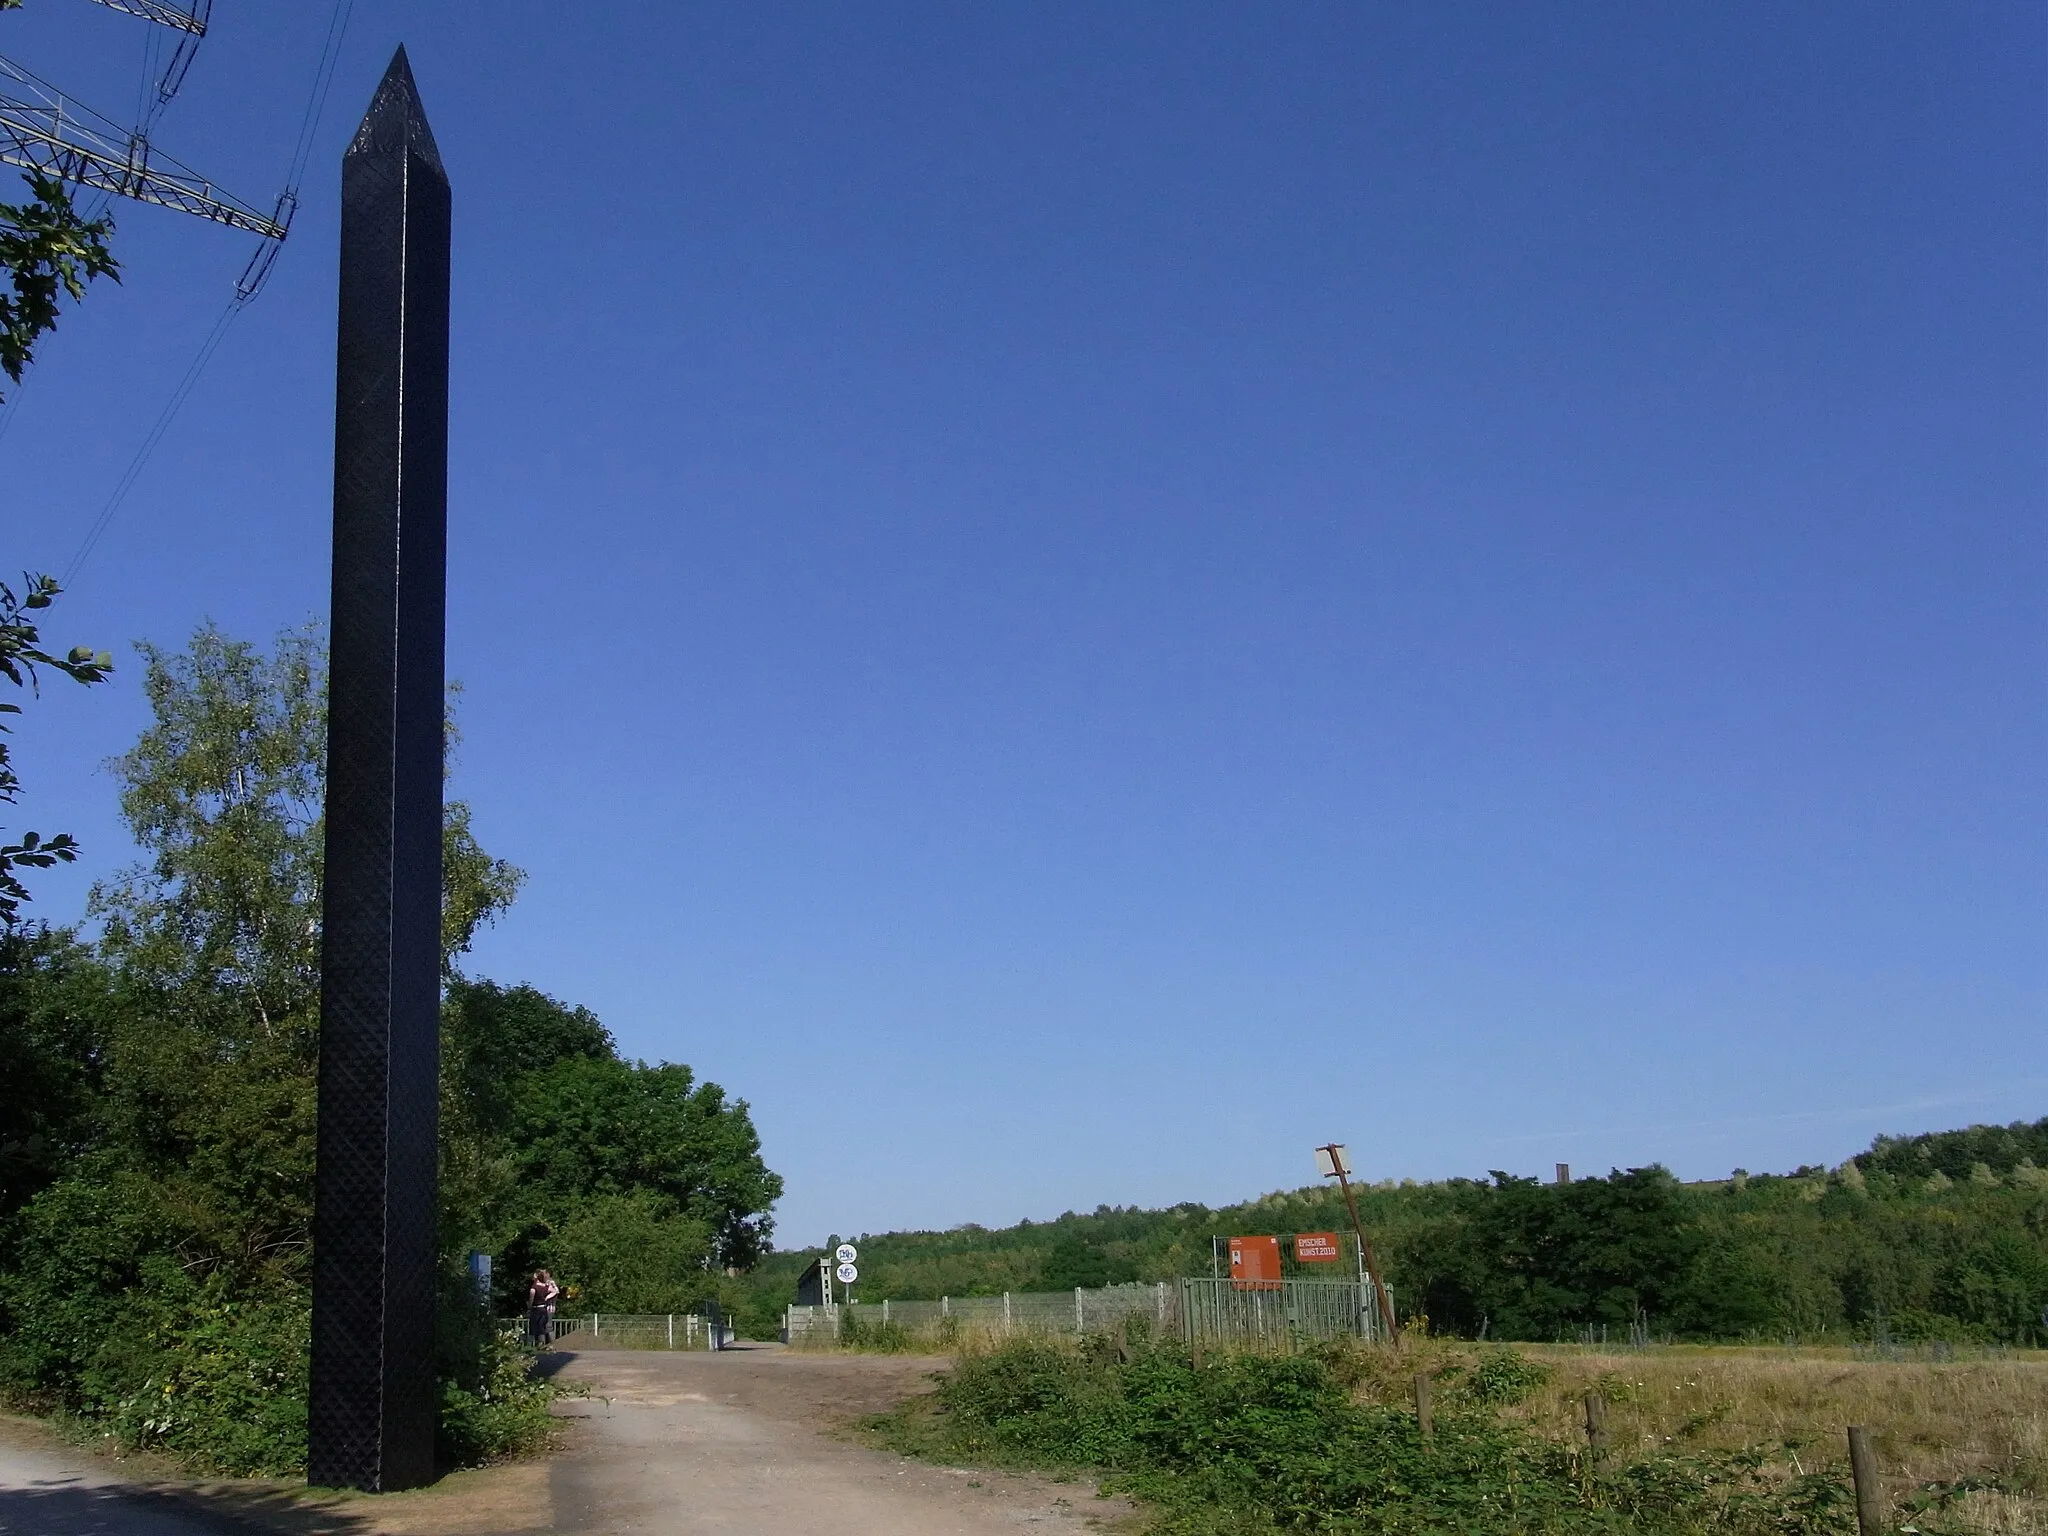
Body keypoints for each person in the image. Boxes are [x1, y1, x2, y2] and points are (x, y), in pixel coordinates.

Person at [527, 1268, 560, 1347]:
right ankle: (545, 1345)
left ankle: (539, 1345)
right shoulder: (545, 1286)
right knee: (543, 1327)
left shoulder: (535, 1288)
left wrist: (547, 1298)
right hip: (544, 1308)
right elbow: (555, 1291)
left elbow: (556, 1291)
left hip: (539, 1308)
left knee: (539, 1327)